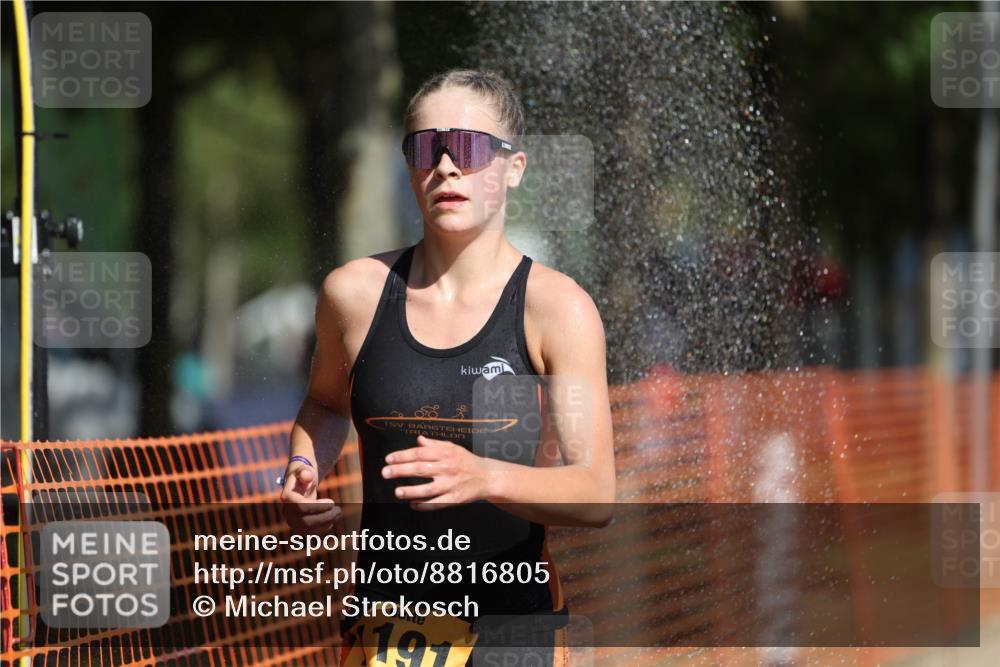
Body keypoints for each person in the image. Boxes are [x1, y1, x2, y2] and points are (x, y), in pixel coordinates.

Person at [280, 68, 615, 667]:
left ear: (514, 168)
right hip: (385, 632)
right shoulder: (352, 295)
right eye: (424, 148)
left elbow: (595, 493)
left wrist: (485, 478)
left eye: (466, 146)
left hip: (510, 635)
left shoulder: (557, 308)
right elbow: (327, 403)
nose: (445, 167)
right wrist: (306, 462)